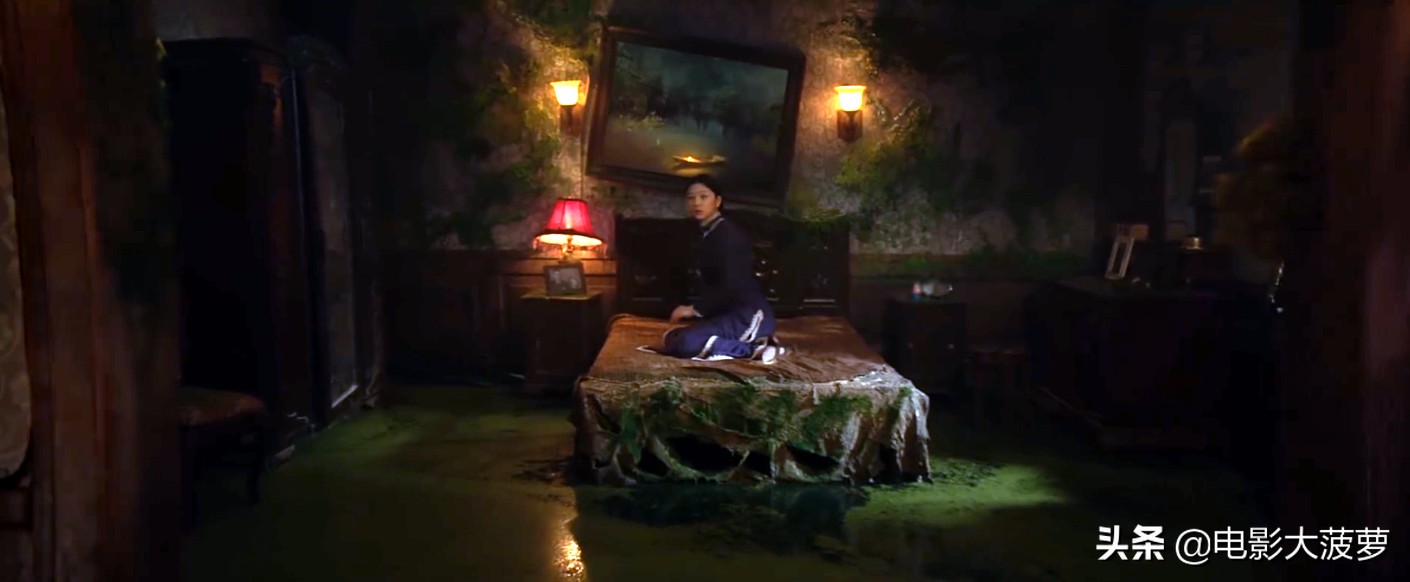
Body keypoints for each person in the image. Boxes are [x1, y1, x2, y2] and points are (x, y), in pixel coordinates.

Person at [659, 175, 781, 363]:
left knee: (685, 342)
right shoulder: (707, 233)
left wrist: (694, 309)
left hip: (747, 315)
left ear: (717, 201)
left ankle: (753, 350)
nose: (696, 203)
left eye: (703, 197)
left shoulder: (728, 236)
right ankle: (757, 344)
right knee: (671, 337)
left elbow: (731, 284)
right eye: (691, 198)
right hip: (725, 313)